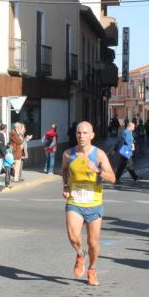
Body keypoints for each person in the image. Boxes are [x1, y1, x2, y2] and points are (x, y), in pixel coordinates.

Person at [61, 121, 116, 286]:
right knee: (73, 236)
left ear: (92, 135)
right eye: (79, 133)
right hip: (75, 201)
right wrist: (65, 185)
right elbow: (64, 170)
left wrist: (97, 170)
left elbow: (112, 178)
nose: (81, 136)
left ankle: (92, 269)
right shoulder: (68, 154)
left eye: (85, 133)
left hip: (94, 203)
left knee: (93, 242)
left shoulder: (98, 155)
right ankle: (80, 254)